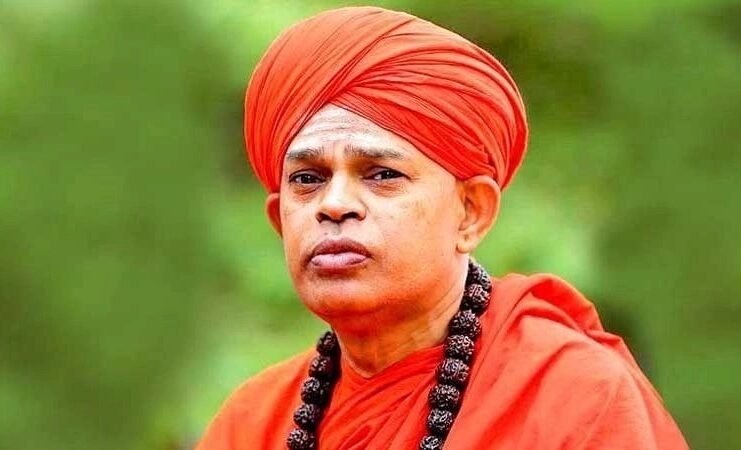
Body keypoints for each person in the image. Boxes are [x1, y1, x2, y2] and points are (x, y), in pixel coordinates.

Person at [196, 6, 688, 450]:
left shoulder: (576, 398)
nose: (335, 204)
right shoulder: (252, 422)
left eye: (381, 174)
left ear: (471, 212)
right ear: (279, 221)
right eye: (308, 179)